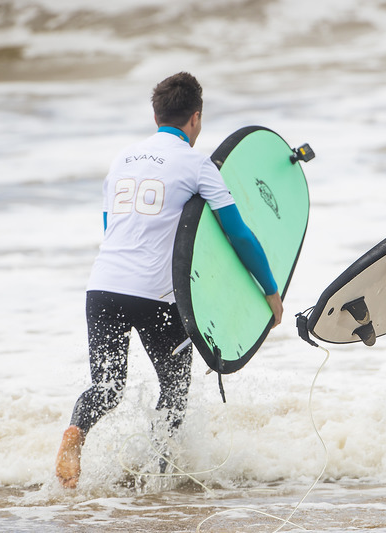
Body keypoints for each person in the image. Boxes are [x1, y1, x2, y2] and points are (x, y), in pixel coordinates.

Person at [55, 72, 284, 489]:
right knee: (175, 388)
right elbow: (238, 233)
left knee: (107, 387)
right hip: (156, 294)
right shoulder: (197, 164)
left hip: (102, 286)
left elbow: (110, 226)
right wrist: (270, 291)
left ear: (155, 114)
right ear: (195, 118)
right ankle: (159, 480)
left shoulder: (122, 158)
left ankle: (76, 432)